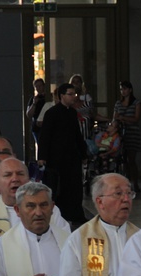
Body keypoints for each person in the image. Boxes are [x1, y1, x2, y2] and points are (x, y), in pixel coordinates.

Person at [37, 83, 89, 224]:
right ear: (62, 96)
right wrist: (42, 157)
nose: (74, 97)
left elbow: (77, 135)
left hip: (72, 157)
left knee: (75, 187)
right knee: (60, 188)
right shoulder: (52, 113)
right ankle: (61, 216)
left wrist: (83, 154)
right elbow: (45, 136)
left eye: (74, 94)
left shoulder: (72, 113)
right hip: (57, 158)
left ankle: (76, 215)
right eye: (70, 94)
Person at [113, 80, 141, 191]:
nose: (123, 91)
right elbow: (114, 118)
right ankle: (125, 183)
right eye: (121, 89)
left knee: (131, 159)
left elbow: (136, 118)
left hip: (132, 133)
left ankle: (135, 182)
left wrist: (123, 118)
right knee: (122, 159)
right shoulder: (118, 103)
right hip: (120, 133)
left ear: (130, 90)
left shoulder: (136, 103)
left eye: (124, 89)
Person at [26, 78, 48, 146]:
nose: (38, 88)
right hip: (37, 127)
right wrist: (34, 103)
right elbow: (29, 114)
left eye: (40, 86)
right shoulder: (33, 99)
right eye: (37, 86)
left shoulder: (48, 98)